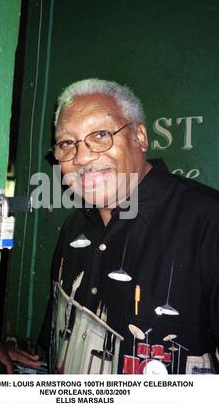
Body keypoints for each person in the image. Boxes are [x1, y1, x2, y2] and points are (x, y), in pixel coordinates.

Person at [44, 78, 219, 375]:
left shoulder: (208, 222)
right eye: (66, 143)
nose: (82, 157)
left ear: (139, 136)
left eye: (100, 134)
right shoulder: (74, 227)